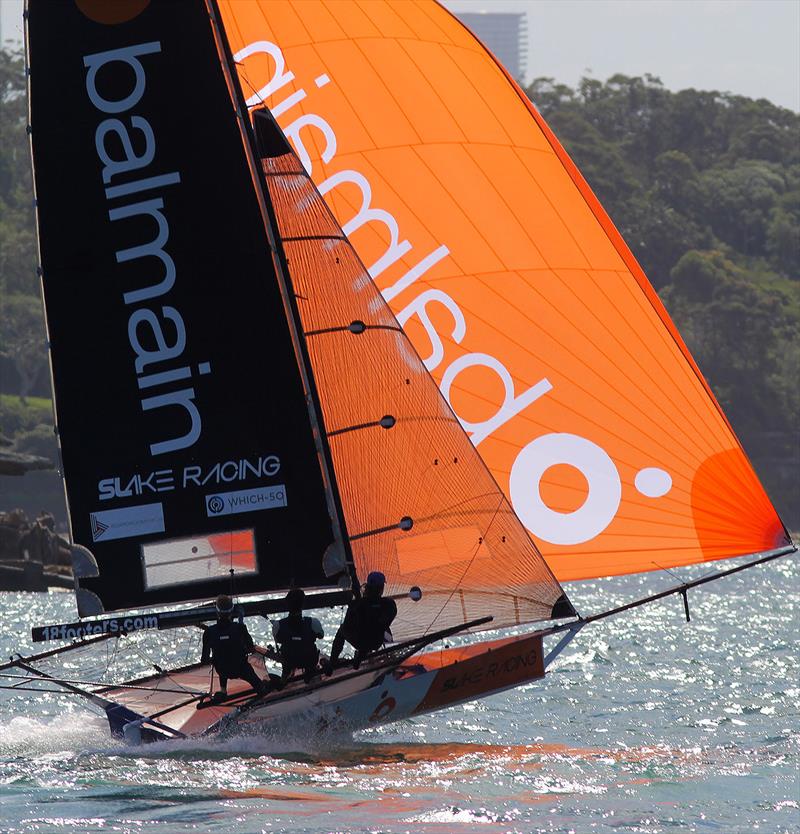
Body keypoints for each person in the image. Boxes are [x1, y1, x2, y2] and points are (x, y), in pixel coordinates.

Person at [201, 595, 267, 701]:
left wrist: (216, 658)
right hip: (241, 669)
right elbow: (250, 647)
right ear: (232, 612)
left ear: (217, 612)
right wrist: (241, 623)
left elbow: (204, 660)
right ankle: (261, 689)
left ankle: (223, 690)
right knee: (254, 679)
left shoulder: (209, 632)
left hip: (223, 670)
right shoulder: (239, 628)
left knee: (222, 659)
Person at [328, 571, 397, 671]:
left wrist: (357, 602)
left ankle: (332, 663)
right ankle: (359, 658)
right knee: (370, 633)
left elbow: (348, 625)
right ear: (381, 589)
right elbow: (385, 622)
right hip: (376, 642)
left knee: (342, 630)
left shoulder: (359, 604)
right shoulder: (389, 604)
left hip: (359, 641)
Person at [272, 588, 324, 684]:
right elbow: (321, 635)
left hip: (289, 662)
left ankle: (284, 680)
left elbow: (278, 640)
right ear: (303, 604)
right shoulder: (313, 622)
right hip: (310, 661)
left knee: (287, 664)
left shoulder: (277, 625)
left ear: (287, 604)